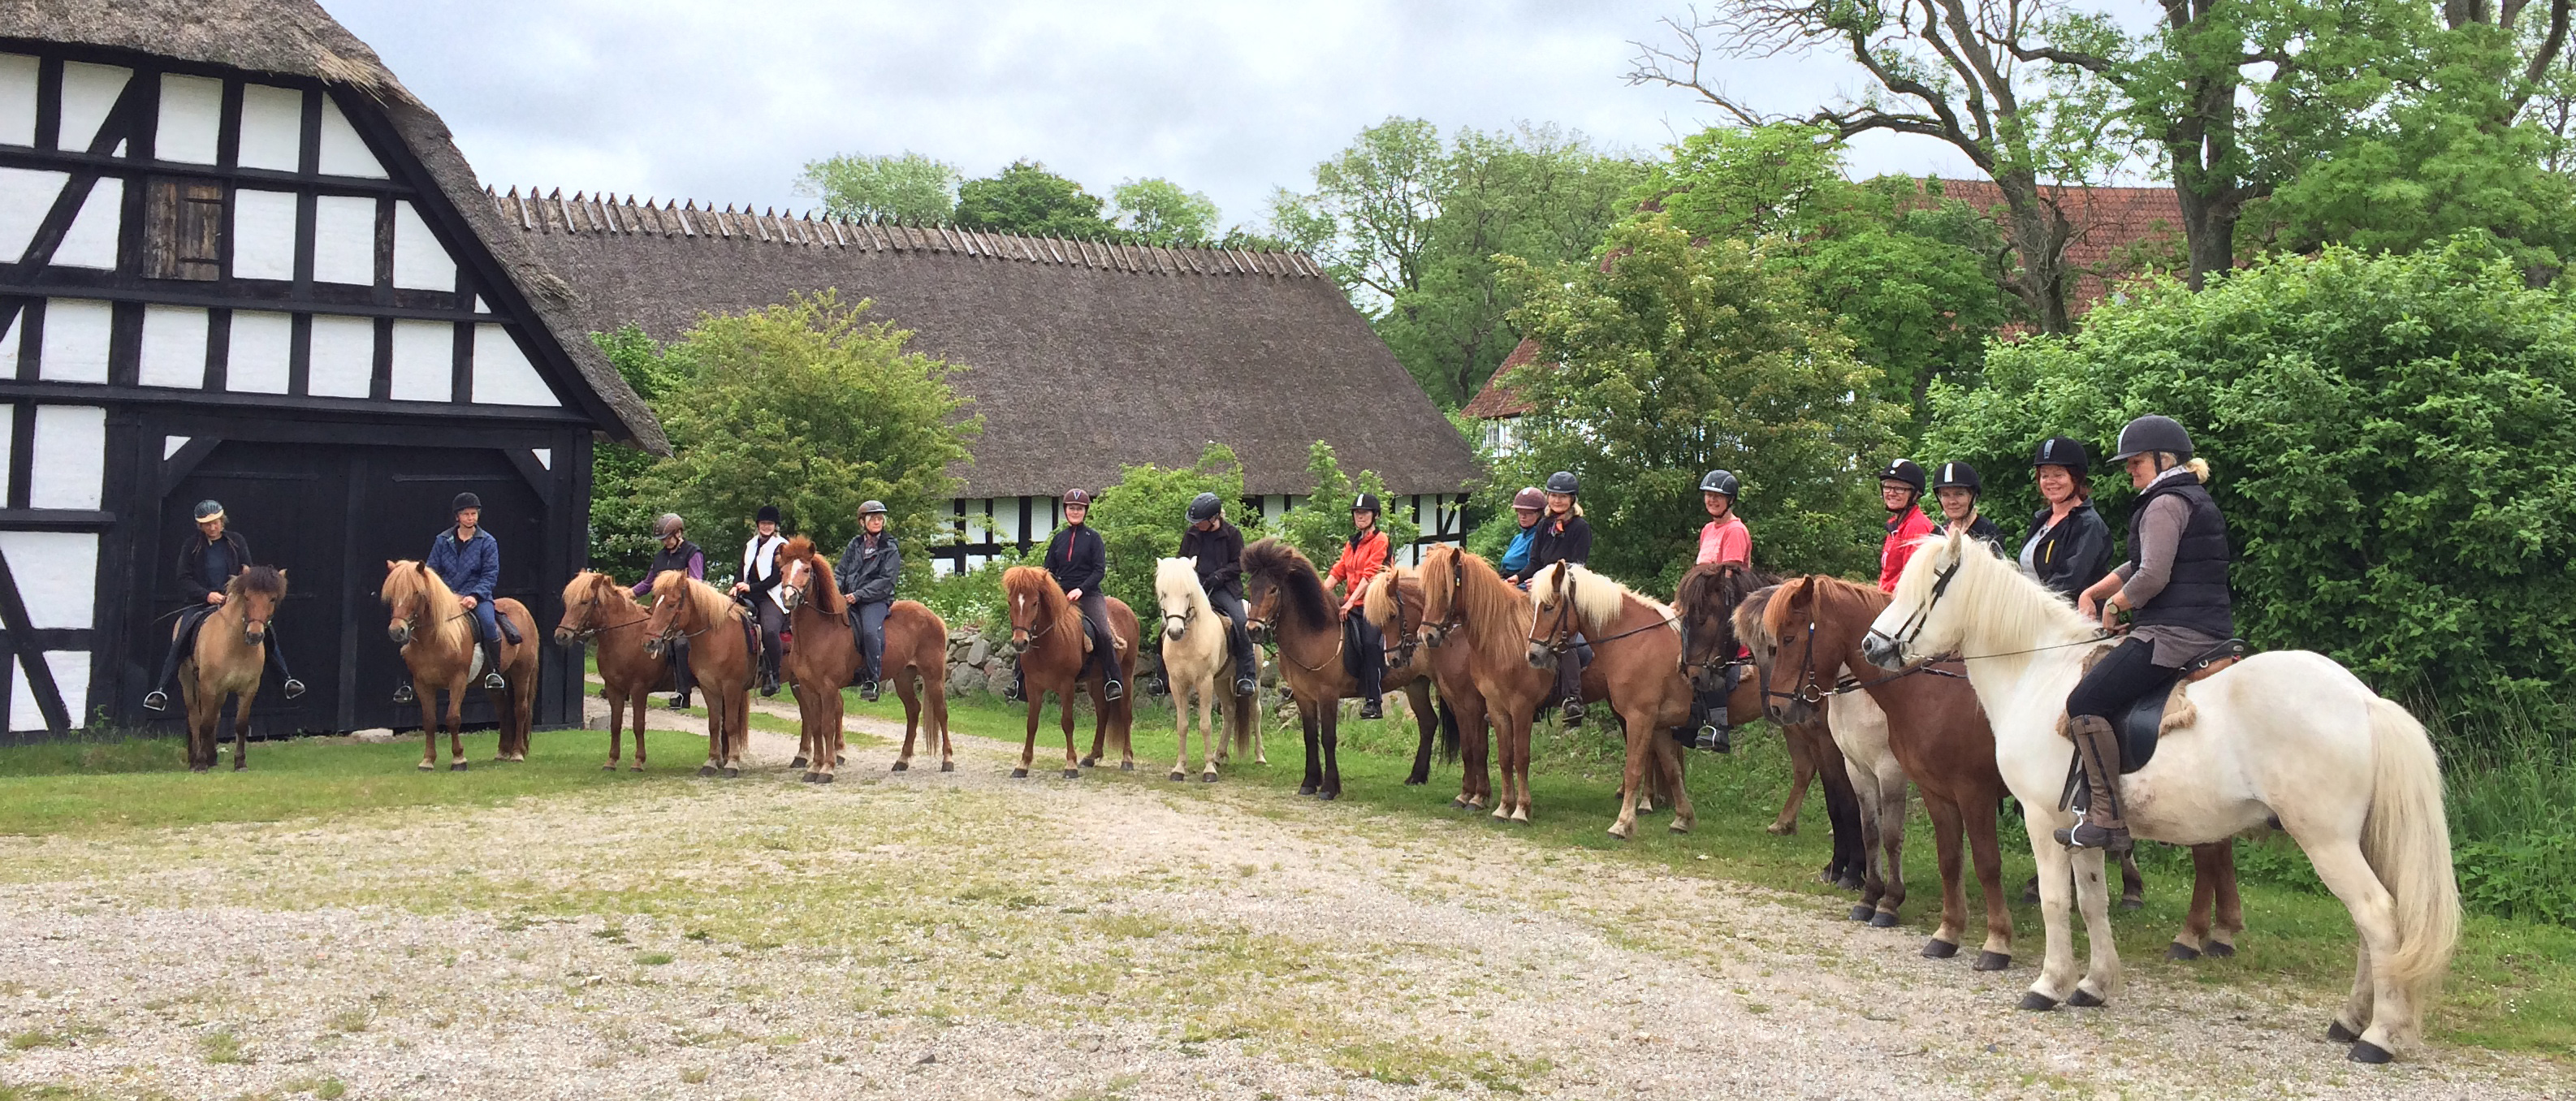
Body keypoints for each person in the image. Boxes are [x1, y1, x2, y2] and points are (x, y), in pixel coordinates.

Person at [2064, 416, 2233, 853]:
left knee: (2085, 701)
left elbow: (2153, 576)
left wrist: (2117, 604)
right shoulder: (2179, 498)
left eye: (2136, 461)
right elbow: (2141, 563)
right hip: (2196, 624)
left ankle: (2107, 819)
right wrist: (2098, 589)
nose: (2129, 469)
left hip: (2177, 632)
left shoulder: (2164, 503)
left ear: (2164, 459)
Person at [142, 500, 305, 712]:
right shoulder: (191, 546)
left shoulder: (236, 541)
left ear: (222, 521)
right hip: (200, 603)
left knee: (265, 628)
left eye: (216, 522)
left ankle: (286, 680)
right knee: (181, 638)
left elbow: (248, 573)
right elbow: (184, 578)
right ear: (200, 526)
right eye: (207, 524)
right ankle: (161, 690)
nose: (213, 527)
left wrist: (232, 594)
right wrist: (207, 595)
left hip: (233, 601)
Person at [399, 492, 511, 704]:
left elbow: (490, 574)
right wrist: (443, 596)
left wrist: (475, 596)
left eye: (474, 514)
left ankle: (494, 672)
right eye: (466, 514)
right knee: (412, 625)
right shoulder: (442, 540)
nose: (471, 518)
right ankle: (407, 682)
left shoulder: (488, 542)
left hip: (477, 596)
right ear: (457, 517)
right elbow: (430, 571)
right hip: (446, 597)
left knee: (488, 624)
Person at [1011, 490, 1122, 702]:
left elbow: (1099, 570)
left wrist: (1081, 589)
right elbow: (1047, 570)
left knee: (1103, 632)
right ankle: (1018, 681)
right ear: (1065, 511)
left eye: (1079, 508)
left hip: (1088, 594)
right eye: (1071, 508)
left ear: (1085, 511)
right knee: (1028, 626)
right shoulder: (1059, 539)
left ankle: (1112, 680)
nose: (1075, 511)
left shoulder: (1094, 538)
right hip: (1060, 595)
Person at [1178, 492, 1260, 697]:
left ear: (1214, 518)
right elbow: (1182, 558)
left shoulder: (1232, 534)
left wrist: (1219, 576)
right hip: (1196, 588)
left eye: (1200, 521)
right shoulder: (1192, 534)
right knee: (1169, 620)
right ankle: (1162, 675)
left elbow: (1239, 564)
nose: (1196, 525)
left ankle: (1246, 676)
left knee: (1241, 622)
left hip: (1225, 588)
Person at [1688, 469, 1748, 752]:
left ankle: (1719, 726)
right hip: (1705, 603)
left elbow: (1730, 578)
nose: (1711, 500)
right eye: (1708, 495)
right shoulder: (1707, 530)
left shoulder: (1735, 530)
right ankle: (1688, 717)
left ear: (1730, 500)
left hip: (1727, 604)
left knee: (1712, 654)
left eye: (1717, 496)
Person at [1528, 471, 1593, 723]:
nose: (1557, 500)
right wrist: (1515, 578)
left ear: (1572, 499)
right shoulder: (1544, 526)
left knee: (1566, 638)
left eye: (1563, 496)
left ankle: (1573, 698)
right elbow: (1534, 562)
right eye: (1553, 495)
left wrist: (1548, 582)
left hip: (1568, 591)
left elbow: (1578, 566)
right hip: (1542, 590)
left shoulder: (1580, 528)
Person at [2020, 436, 2114, 602]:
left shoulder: (2088, 524)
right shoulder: (2041, 519)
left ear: (2075, 478)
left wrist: (2029, 603)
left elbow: (2070, 580)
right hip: (2034, 616)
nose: (2050, 482)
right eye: (2045, 475)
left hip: (2071, 618)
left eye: (2059, 475)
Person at [1324, 493, 1392, 719]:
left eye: (1365, 512)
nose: (1360, 516)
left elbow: (1370, 574)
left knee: (1370, 642)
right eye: (1357, 512)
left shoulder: (1380, 540)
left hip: (1374, 602)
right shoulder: (1352, 543)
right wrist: (1322, 594)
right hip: (1353, 601)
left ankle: (1374, 700)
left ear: (1375, 516)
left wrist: (1350, 602)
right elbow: (1339, 571)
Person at [633, 513, 705, 709]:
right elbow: (648, 583)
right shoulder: (660, 558)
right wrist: (628, 594)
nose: (664, 542)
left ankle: (683, 693)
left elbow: (696, 583)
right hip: (662, 609)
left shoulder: (692, 552)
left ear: (678, 533)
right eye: (662, 539)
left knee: (680, 643)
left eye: (667, 538)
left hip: (684, 611)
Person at [834, 501, 901, 702]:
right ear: (862, 522)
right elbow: (840, 571)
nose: (877, 522)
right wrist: (835, 591)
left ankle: (872, 680)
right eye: (873, 518)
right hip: (849, 598)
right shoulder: (855, 544)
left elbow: (886, 581)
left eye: (880, 518)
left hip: (875, 600)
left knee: (870, 631)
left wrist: (860, 594)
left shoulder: (890, 547)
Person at [732, 505, 789, 697]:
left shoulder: (781, 546)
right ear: (758, 525)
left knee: (770, 629)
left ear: (775, 526)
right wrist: (735, 584)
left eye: (770, 523)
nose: (766, 526)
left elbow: (777, 577)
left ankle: (774, 675)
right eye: (763, 523)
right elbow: (741, 568)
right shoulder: (750, 545)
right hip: (746, 592)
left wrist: (752, 588)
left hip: (770, 595)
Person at [1876, 459, 1934, 593]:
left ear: (1915, 494)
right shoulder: (1895, 525)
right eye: (1887, 487)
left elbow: (1912, 579)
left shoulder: (1917, 527)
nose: (1891, 493)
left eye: (1899, 489)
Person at [1930, 461, 2007, 554]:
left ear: (1973, 497)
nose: (1952, 501)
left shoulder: (1988, 532)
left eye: (1959, 494)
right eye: (1946, 495)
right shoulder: (1937, 533)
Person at [1498, 487, 1545, 584]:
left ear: (1540, 514)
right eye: (1520, 512)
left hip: (1521, 585)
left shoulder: (1536, 539)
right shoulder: (1517, 538)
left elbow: (1533, 569)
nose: (1523, 517)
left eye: (1528, 513)